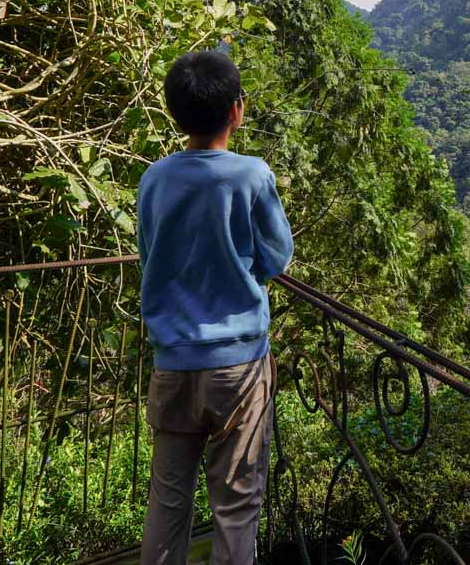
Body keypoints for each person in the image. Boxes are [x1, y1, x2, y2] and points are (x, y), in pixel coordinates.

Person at [136, 49, 294, 565]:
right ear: (236, 111)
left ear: (175, 113)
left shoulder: (155, 178)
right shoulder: (251, 176)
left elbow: (149, 250)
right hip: (238, 368)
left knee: (168, 500)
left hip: (173, 360)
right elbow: (276, 258)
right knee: (236, 502)